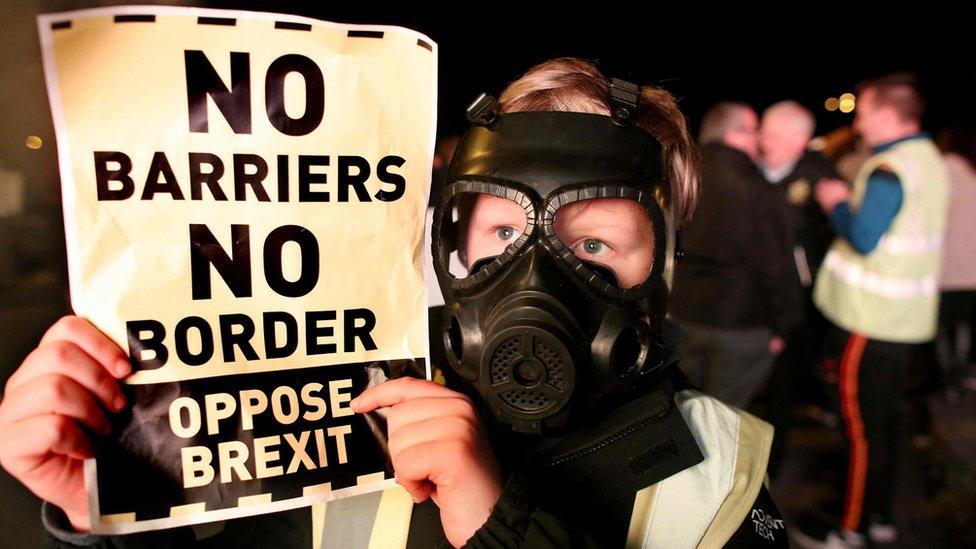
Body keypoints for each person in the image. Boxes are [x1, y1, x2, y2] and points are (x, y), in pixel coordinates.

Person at [0, 58, 787, 548]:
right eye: (505, 228)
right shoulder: (345, 407)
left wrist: (500, 529)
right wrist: (107, 512)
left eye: (594, 246)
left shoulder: (721, 480)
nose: (537, 277)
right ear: (453, 241)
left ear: (664, 267)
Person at [801, 73, 950, 548]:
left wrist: (837, 203)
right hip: (901, 320)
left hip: (870, 318)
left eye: (863, 110)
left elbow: (864, 238)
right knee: (884, 422)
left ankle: (851, 528)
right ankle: (879, 515)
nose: (858, 120)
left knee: (861, 428)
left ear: (887, 113)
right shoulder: (928, 160)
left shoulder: (890, 169)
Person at [671, 101, 802, 408]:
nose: (759, 140)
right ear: (734, 135)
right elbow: (777, 266)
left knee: (682, 407)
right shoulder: (757, 188)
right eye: (755, 131)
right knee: (723, 418)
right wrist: (785, 325)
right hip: (741, 323)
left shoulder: (683, 177)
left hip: (685, 311)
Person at [758, 100, 841, 475]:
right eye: (763, 130)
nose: (764, 140)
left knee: (782, 385)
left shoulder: (821, 176)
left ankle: (770, 466)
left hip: (796, 301)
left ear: (802, 139)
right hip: (752, 296)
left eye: (774, 135)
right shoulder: (752, 168)